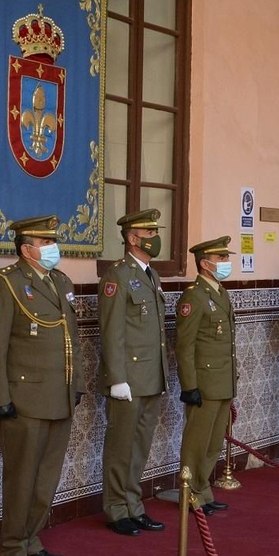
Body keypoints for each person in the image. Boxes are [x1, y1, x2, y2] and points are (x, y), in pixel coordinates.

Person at [0, 215, 81, 556]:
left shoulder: (60, 282)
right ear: (26, 249)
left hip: (60, 396)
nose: (53, 248)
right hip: (24, 400)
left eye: (53, 241)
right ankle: (11, 547)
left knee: (46, 477)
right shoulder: (4, 285)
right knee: (21, 477)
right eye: (45, 242)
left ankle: (32, 539)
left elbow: (72, 340)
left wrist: (77, 384)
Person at [97, 209, 169, 536]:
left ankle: (133, 504)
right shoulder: (118, 276)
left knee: (139, 446)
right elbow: (112, 331)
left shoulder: (150, 275)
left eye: (156, 232)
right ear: (132, 238)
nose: (155, 238)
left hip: (151, 377)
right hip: (128, 378)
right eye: (148, 233)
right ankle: (115, 508)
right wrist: (117, 378)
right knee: (120, 445)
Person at [176, 237, 239, 511]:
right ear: (205, 263)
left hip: (222, 381)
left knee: (214, 443)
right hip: (204, 382)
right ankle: (191, 494)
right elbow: (185, 345)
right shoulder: (194, 295)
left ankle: (203, 490)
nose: (226, 263)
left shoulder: (220, 292)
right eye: (221, 258)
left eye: (226, 258)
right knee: (196, 443)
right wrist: (189, 385)